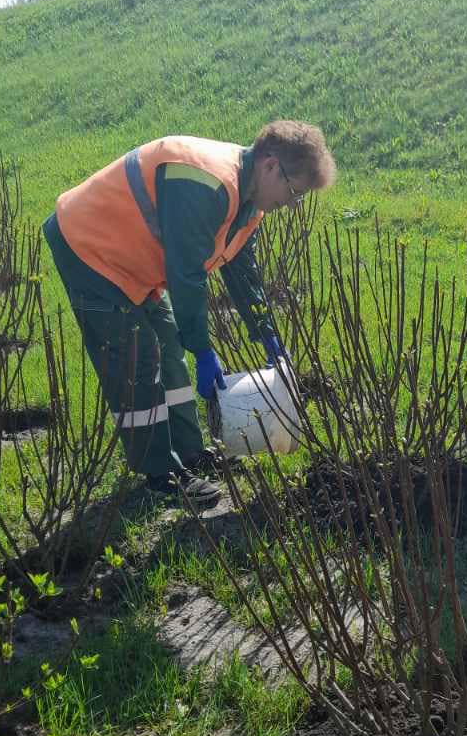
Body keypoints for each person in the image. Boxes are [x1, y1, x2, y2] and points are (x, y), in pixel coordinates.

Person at [43, 120, 336, 506]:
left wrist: (266, 332)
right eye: (293, 191)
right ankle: (160, 474)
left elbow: (242, 272)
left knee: (168, 346)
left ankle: (190, 453)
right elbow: (186, 276)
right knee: (137, 357)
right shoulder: (206, 183)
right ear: (269, 166)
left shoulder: (249, 205)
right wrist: (203, 349)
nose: (291, 204)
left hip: (130, 260)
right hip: (89, 246)